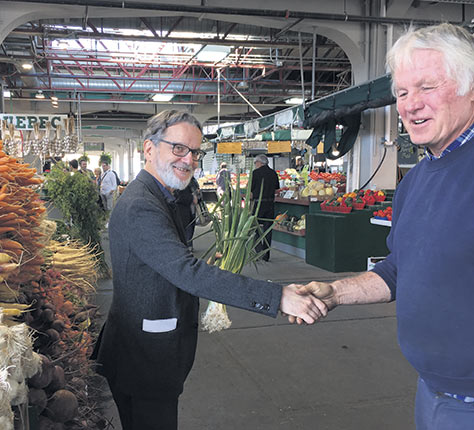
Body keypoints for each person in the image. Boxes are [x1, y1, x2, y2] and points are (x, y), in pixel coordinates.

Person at [294, 23, 474, 430]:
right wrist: (335, 292)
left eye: (426, 87)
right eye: (402, 93)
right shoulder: (418, 180)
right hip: (432, 393)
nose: (410, 105)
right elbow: (398, 270)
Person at [90, 109, 328, 430]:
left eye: (195, 151)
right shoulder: (141, 204)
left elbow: (167, 263)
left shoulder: (162, 195)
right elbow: (187, 272)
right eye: (178, 148)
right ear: (149, 148)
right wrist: (279, 296)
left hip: (148, 354)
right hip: (144, 358)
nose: (188, 160)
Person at [250, 154, 280, 262]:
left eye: (255, 163)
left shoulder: (255, 173)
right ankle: (266, 255)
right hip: (270, 204)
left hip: (258, 204)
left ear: (259, 163)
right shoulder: (273, 173)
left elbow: (251, 192)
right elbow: (277, 190)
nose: (255, 165)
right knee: (268, 230)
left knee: (255, 228)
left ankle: (259, 252)